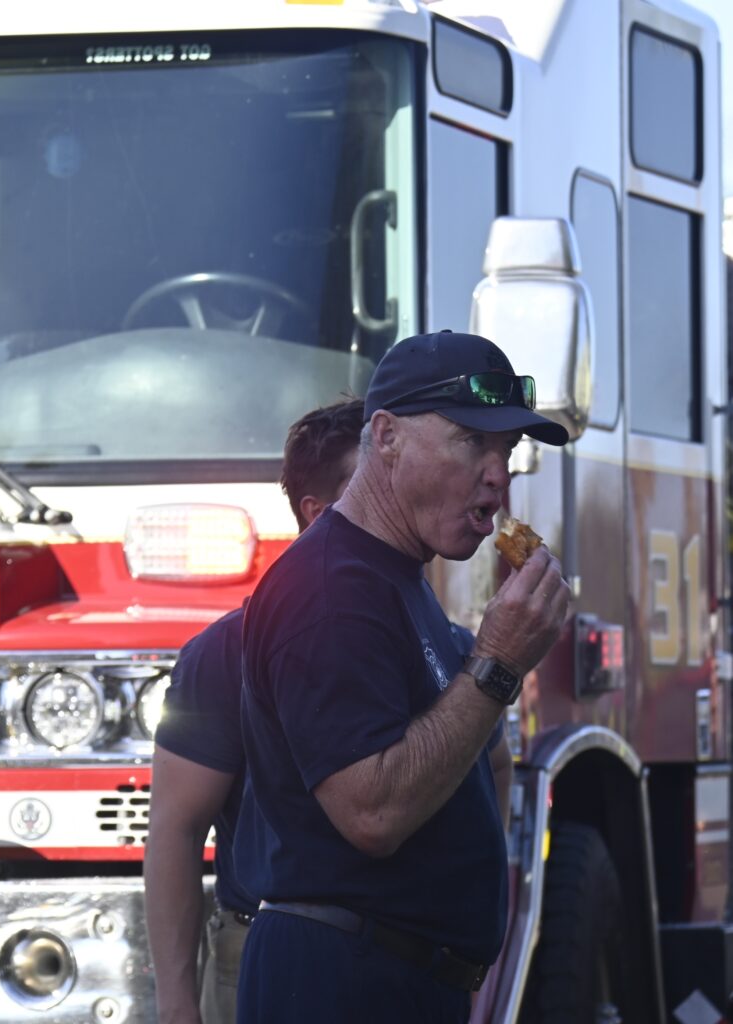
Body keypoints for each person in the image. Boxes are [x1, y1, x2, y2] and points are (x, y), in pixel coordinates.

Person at [234, 331, 571, 1024]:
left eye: (506, 450)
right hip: (340, 983)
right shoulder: (330, 588)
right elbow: (373, 814)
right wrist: (499, 662)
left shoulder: (395, 577)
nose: (498, 475)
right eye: (471, 442)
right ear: (386, 436)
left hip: (395, 978)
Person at [145, 398, 365, 1024]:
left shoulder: (439, 640)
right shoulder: (225, 652)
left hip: (409, 966)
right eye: (372, 482)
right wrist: (178, 1006)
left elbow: (493, 769)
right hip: (261, 955)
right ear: (317, 513)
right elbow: (176, 829)